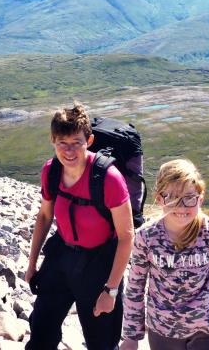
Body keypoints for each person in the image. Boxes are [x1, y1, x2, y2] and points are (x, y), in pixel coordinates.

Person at [25, 103, 135, 350]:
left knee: (102, 344)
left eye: (76, 141)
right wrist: (32, 264)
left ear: (90, 139)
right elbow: (44, 217)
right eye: (62, 142)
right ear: (52, 141)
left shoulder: (108, 178)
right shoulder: (51, 170)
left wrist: (112, 290)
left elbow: (127, 236)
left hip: (99, 265)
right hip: (61, 257)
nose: (69, 150)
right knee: (41, 332)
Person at [120, 159, 209, 350]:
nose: (182, 206)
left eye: (189, 197)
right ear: (159, 199)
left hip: (205, 332)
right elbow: (135, 287)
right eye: (172, 197)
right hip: (161, 332)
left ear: (200, 198)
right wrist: (131, 336)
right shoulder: (146, 236)